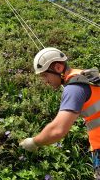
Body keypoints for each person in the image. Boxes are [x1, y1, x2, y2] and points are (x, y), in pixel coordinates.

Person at [19, 47, 100, 179]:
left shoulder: (74, 89)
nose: (45, 81)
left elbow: (57, 130)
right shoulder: (88, 77)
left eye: (45, 75)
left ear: (58, 67)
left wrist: (34, 142)